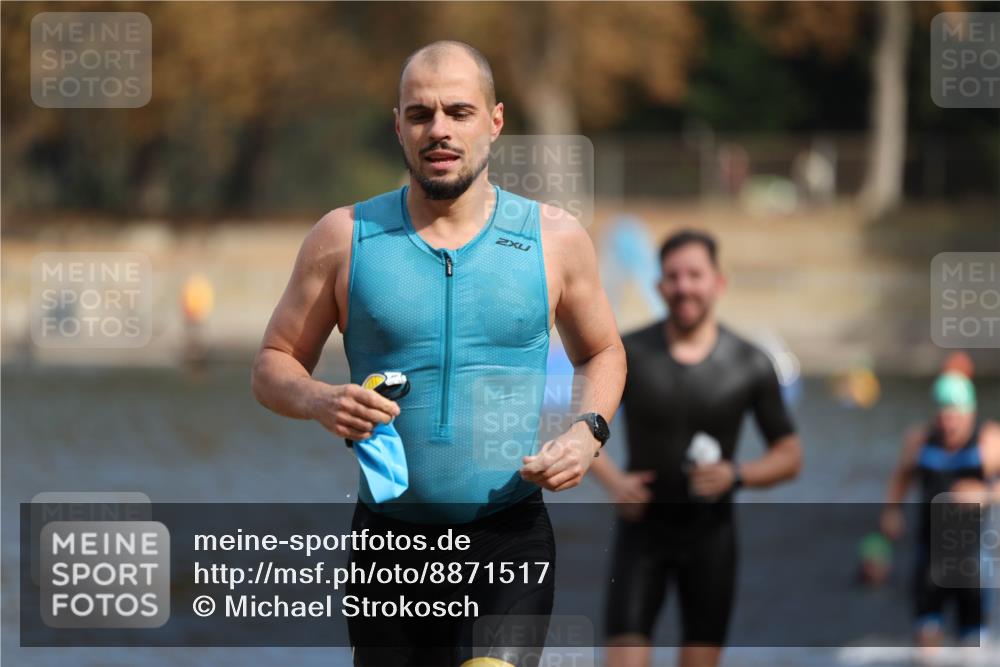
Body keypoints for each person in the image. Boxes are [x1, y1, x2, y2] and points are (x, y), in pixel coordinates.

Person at [251, 40, 626, 667]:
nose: (439, 130)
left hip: (508, 537)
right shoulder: (345, 237)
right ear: (397, 125)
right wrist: (319, 398)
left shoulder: (554, 238)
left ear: (495, 121)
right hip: (387, 547)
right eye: (420, 114)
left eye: (459, 111)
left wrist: (587, 431)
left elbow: (604, 351)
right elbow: (273, 362)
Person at [590, 229, 802, 667]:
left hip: (711, 539)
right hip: (640, 532)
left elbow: (790, 455)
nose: (684, 286)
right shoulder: (627, 354)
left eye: (695, 275)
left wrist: (736, 474)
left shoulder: (750, 363)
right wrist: (614, 481)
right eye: (673, 276)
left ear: (718, 282)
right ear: (659, 286)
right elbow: (582, 426)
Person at [881, 370, 1000, 648]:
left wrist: (986, 493)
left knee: (972, 644)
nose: (949, 425)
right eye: (944, 416)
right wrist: (891, 511)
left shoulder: (989, 441)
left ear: (970, 413)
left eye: (956, 417)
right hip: (930, 552)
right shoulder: (920, 440)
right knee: (926, 639)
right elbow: (901, 476)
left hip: (973, 557)